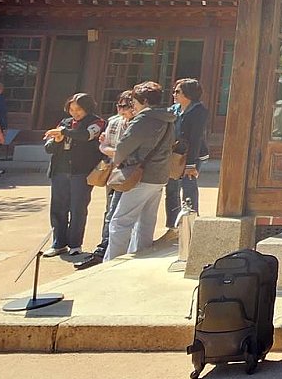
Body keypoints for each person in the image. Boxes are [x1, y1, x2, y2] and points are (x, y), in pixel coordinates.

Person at [102, 81, 176, 258]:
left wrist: (112, 155)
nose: (133, 106)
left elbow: (124, 147)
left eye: (134, 102)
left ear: (144, 101)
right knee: (146, 221)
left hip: (140, 175)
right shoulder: (168, 119)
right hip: (159, 175)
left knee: (121, 221)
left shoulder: (143, 120)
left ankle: (113, 260)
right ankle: (141, 254)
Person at [76, 90, 136, 269]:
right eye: (119, 106)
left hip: (132, 172)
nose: (122, 110)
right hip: (113, 170)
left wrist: (117, 152)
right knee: (110, 210)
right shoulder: (114, 121)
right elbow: (103, 145)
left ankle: (123, 248)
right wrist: (115, 152)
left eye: (126, 106)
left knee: (127, 212)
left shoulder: (140, 124)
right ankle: (104, 248)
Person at [42, 94, 105, 257]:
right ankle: (58, 243)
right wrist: (57, 139)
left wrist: (64, 132)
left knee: (78, 208)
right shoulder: (65, 122)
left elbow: (86, 135)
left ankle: (75, 244)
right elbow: (48, 147)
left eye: (79, 109)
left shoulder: (96, 122)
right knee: (58, 207)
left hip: (81, 171)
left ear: (87, 108)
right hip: (60, 169)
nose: (75, 113)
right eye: (71, 109)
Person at [164, 78, 209, 232]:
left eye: (178, 91)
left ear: (188, 94)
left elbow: (196, 138)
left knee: (188, 187)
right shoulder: (174, 109)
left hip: (192, 154)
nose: (174, 94)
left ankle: (191, 225)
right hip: (175, 154)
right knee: (171, 188)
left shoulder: (199, 111)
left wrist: (191, 165)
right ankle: (173, 227)